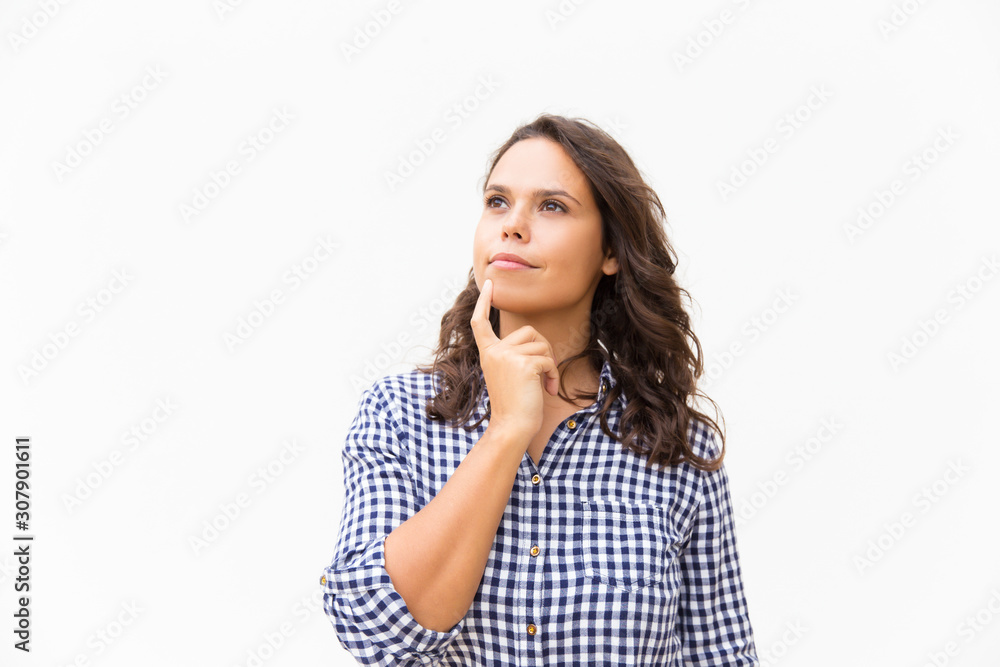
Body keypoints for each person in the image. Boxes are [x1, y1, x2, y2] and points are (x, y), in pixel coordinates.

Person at [319, 113, 760, 665]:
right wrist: (505, 432)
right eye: (497, 202)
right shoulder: (401, 414)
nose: (513, 225)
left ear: (611, 252)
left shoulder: (674, 446)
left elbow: (722, 657)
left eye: (552, 206)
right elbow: (378, 633)